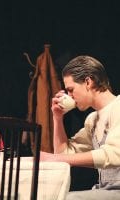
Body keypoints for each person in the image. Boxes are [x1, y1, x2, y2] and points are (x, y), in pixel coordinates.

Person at [41, 55, 120, 199]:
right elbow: (64, 154)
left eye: (71, 90)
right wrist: (57, 118)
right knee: (53, 195)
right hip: (106, 189)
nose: (70, 96)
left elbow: (114, 154)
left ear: (88, 82)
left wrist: (53, 159)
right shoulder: (92, 120)